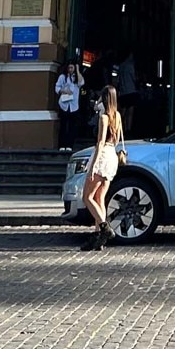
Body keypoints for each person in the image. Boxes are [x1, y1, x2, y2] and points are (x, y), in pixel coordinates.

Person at [80, 86, 124, 252]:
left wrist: (92, 166)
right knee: (100, 198)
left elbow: (99, 142)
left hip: (102, 156)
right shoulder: (118, 116)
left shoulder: (104, 117)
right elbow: (118, 140)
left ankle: (105, 228)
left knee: (87, 197)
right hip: (112, 155)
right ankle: (97, 238)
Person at [55, 62, 86, 151]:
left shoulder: (76, 77)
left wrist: (77, 70)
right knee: (63, 126)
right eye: (69, 68)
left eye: (72, 68)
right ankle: (61, 145)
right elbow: (57, 88)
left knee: (72, 126)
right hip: (64, 105)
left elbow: (81, 83)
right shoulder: (63, 77)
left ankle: (69, 145)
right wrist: (63, 91)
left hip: (74, 105)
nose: (70, 70)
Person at [116, 50, 138, 135]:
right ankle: (128, 129)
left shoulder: (121, 66)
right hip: (131, 90)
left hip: (123, 91)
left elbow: (118, 79)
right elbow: (134, 78)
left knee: (123, 111)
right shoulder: (130, 66)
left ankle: (120, 127)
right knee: (130, 112)